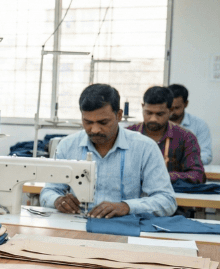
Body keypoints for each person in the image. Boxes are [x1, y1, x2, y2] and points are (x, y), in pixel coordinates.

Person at [40, 84, 176, 218]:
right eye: (88, 122)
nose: (95, 130)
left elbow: (167, 201)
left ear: (119, 115)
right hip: (76, 224)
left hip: (125, 228)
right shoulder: (67, 145)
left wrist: (126, 207)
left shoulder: (145, 148)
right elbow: (49, 192)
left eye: (103, 122)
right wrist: (57, 200)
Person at [127, 86, 205, 184]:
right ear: (143, 107)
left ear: (171, 111)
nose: (153, 119)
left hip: (170, 195)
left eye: (159, 114)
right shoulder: (128, 135)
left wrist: (163, 176)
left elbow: (198, 175)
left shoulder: (186, 138)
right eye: (149, 113)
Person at [168, 83, 213, 165]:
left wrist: (187, 162)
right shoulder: (159, 123)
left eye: (177, 108)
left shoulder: (199, 125)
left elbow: (206, 154)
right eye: (169, 108)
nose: (172, 112)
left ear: (186, 104)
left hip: (188, 170)